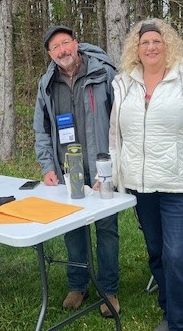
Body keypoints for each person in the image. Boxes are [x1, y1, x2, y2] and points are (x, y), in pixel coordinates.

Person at [109, 18, 183, 331]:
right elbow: (115, 135)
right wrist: (111, 176)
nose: (151, 47)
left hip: (180, 184)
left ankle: (179, 323)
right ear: (136, 48)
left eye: (157, 41)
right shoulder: (124, 82)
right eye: (144, 42)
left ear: (168, 45)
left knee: (177, 256)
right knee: (156, 252)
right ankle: (168, 306)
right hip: (141, 186)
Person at [33, 25, 121, 317]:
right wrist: (47, 166)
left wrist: (113, 167)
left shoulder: (104, 73)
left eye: (66, 43)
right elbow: (41, 130)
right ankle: (77, 285)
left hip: (103, 167)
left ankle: (109, 290)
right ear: (49, 54)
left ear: (77, 43)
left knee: (106, 229)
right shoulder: (46, 84)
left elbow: (121, 122)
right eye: (55, 47)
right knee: (72, 229)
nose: (62, 50)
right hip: (67, 170)